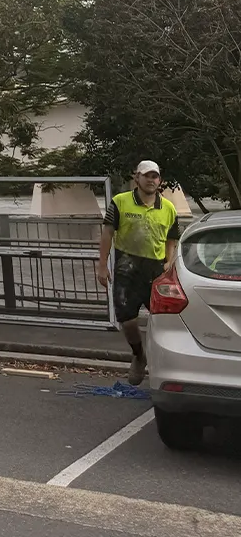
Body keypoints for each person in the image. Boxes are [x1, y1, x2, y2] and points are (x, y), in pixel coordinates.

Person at [96, 160, 180, 385]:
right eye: (146, 176)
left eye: (155, 176)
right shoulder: (120, 202)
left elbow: (173, 237)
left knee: (163, 320)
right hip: (126, 266)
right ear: (136, 178)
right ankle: (138, 355)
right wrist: (102, 265)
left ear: (159, 180)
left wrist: (169, 261)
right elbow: (107, 233)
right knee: (128, 319)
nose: (151, 180)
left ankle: (162, 364)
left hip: (156, 268)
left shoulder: (168, 208)